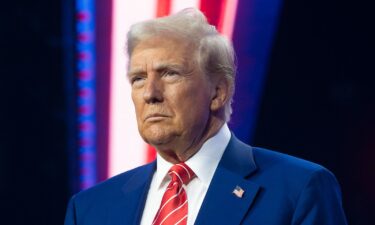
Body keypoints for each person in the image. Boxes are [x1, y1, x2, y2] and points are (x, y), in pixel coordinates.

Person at [64, 8, 347, 225]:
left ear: (218, 93)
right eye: (138, 78)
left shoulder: (298, 189)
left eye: (169, 73)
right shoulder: (90, 209)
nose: (150, 93)